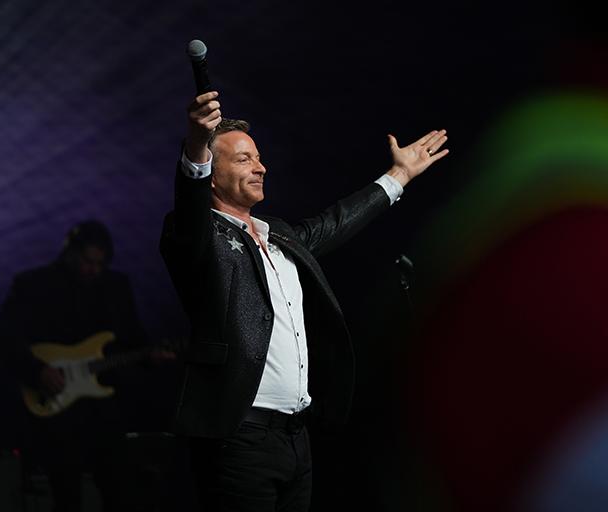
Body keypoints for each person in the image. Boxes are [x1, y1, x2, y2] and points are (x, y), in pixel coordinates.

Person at [159, 90, 449, 511]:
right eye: (243, 159)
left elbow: (334, 223)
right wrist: (197, 143)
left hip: (295, 437)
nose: (260, 167)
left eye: (258, 158)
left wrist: (398, 176)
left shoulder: (278, 234)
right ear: (212, 175)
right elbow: (189, 201)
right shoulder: (197, 236)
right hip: (240, 434)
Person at [0, 220, 161, 512]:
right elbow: (3, 336)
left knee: (118, 489)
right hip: (57, 413)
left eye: (100, 263)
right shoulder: (33, 284)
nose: (93, 269)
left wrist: (151, 358)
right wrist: (37, 370)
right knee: (66, 494)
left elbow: (134, 339)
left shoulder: (116, 286)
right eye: (87, 261)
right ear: (69, 253)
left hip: (106, 410)